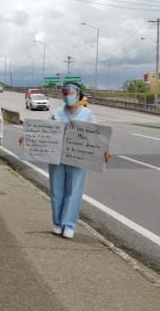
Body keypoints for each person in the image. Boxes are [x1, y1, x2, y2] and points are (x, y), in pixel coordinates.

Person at [21, 82, 111, 239]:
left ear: (78, 95)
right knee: (56, 191)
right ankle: (57, 223)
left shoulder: (87, 114)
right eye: (64, 93)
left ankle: (69, 224)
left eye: (70, 93)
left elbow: (97, 137)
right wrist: (28, 138)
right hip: (57, 158)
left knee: (73, 191)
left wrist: (105, 151)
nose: (67, 96)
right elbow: (44, 132)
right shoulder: (56, 113)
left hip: (78, 159)